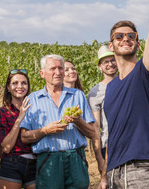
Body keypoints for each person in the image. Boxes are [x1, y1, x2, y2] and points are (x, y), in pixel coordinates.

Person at [99, 0, 149, 188]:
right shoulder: (110, 88)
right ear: (111, 45)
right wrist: (104, 174)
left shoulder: (145, 72)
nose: (125, 39)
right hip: (114, 171)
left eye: (131, 36)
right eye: (119, 36)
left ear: (137, 43)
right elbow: (113, 133)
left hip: (142, 169)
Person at [20, 54, 96, 189]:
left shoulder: (77, 95)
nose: (58, 72)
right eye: (53, 68)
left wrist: (78, 121)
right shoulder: (33, 99)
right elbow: (24, 137)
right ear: (42, 73)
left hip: (75, 158)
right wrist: (45, 130)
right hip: (49, 160)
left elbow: (92, 132)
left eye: (61, 68)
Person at [0, 69, 36, 189]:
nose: (20, 86)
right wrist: (21, 116)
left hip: (35, 164)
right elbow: (6, 147)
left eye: (24, 83)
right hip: (12, 164)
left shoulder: (35, 110)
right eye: (15, 83)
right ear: (8, 87)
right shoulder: (2, 112)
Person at [87, 45, 118, 174]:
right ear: (100, 66)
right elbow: (96, 127)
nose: (110, 64)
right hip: (109, 145)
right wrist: (99, 159)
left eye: (113, 60)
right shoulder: (95, 93)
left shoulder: (128, 83)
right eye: (106, 62)